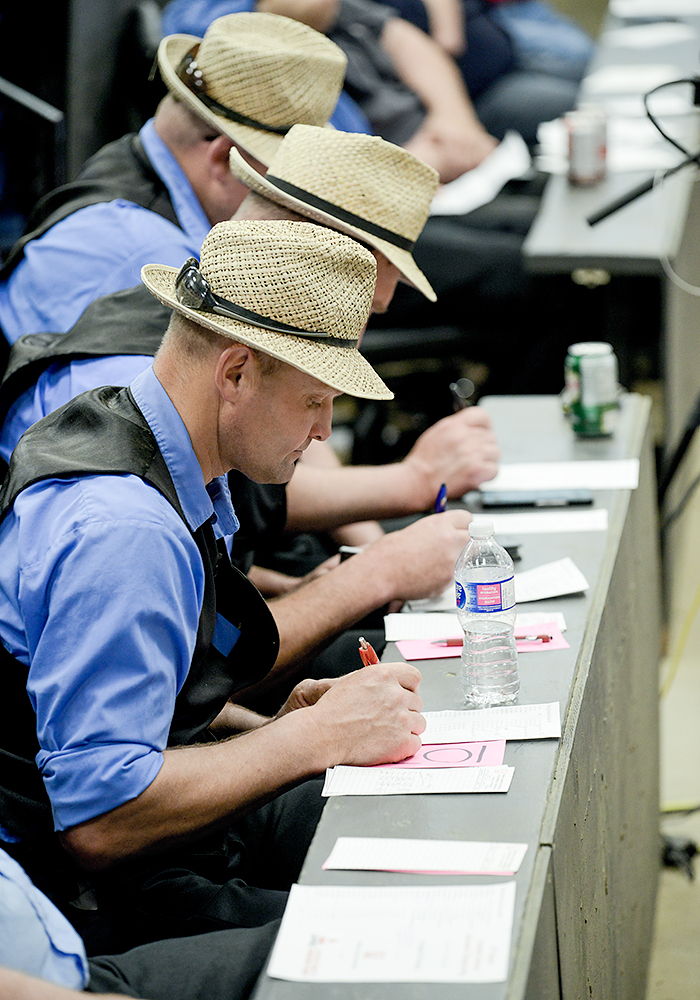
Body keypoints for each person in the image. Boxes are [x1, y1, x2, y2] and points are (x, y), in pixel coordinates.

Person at [0, 220, 469, 955]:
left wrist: (275, 726)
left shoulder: (158, 449)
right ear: (237, 372)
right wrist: (311, 738)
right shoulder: (127, 531)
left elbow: (145, 708)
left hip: (148, 849)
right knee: (403, 941)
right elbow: (100, 820)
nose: (323, 434)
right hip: (91, 895)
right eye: (315, 401)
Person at [0, 11, 348, 345]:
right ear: (224, 161)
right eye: (284, 173)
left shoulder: (126, 160)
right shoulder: (162, 265)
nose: (295, 194)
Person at [0, 846, 279, 1000]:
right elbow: (97, 834)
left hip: (70, 971)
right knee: (291, 947)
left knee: (300, 937)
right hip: (60, 985)